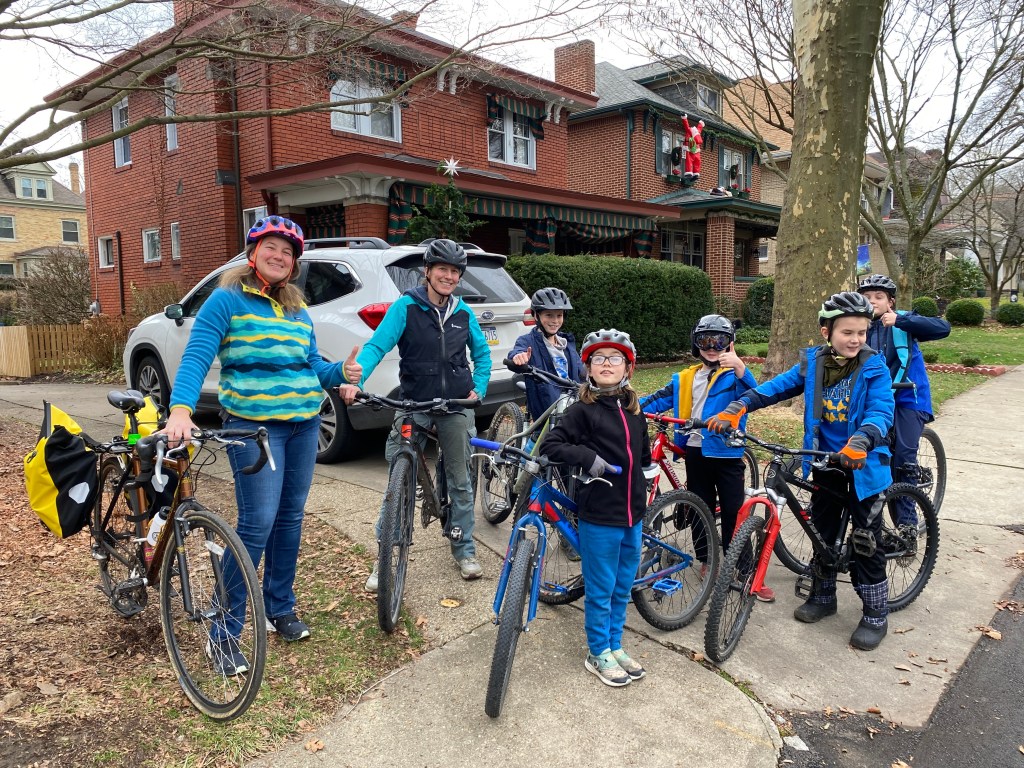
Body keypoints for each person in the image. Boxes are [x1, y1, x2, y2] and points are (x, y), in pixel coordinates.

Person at [163, 215, 345, 673]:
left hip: (305, 426)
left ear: (294, 264)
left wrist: (342, 373)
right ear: (253, 253)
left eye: (288, 252)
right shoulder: (226, 301)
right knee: (257, 524)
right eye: (272, 247)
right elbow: (197, 355)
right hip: (253, 429)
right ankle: (222, 632)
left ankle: (279, 607)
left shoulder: (296, 310)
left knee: (289, 521)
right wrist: (181, 409)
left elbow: (312, 365)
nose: (280, 256)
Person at [707, 292, 895, 651]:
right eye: (847, 332)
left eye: (861, 332)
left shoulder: (874, 367)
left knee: (866, 541)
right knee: (820, 530)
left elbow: (881, 411)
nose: (855, 339)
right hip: (826, 462)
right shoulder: (813, 364)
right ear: (827, 331)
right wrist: (739, 405)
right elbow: (773, 389)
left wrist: (861, 441)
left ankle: (875, 613)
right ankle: (824, 596)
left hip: (863, 464)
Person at [338, 239, 491, 587]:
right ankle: (385, 556)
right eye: (442, 269)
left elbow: (481, 357)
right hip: (413, 402)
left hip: (455, 404)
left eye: (455, 271)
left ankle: (464, 548)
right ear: (428, 271)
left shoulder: (463, 313)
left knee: (460, 477)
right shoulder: (406, 307)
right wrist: (355, 375)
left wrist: (478, 389)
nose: (448, 276)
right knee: (398, 481)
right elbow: (377, 345)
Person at [542, 329, 652, 687]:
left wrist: (648, 479)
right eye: (599, 359)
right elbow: (553, 446)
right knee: (602, 588)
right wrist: (588, 458)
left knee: (623, 585)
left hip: (633, 514)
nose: (607, 364)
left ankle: (614, 644)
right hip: (600, 514)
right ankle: (596, 651)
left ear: (628, 368)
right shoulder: (582, 411)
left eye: (615, 358)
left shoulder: (636, 411)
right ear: (588, 367)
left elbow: (645, 456)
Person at [638, 315, 772, 600]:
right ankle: (706, 559)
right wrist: (627, 406)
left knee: (735, 511)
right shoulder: (686, 377)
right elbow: (656, 399)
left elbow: (754, 396)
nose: (712, 347)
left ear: (730, 344)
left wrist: (741, 368)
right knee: (701, 506)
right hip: (695, 451)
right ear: (695, 344)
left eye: (719, 341)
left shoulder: (734, 377)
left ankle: (743, 566)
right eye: (705, 341)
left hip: (726, 452)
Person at [857, 274, 951, 529]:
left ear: (891, 301)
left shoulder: (902, 322)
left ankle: (907, 525)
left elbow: (943, 328)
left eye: (879, 297)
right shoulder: (858, 327)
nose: (873, 302)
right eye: (866, 298)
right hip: (878, 399)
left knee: (903, 460)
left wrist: (902, 320)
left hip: (909, 398)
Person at [507, 287, 586, 420]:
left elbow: (581, 373)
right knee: (541, 439)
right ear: (536, 315)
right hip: (546, 408)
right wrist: (518, 357)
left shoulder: (566, 344)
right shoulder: (527, 341)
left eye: (559, 315)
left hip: (572, 406)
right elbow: (517, 352)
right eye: (549, 315)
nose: (555, 321)